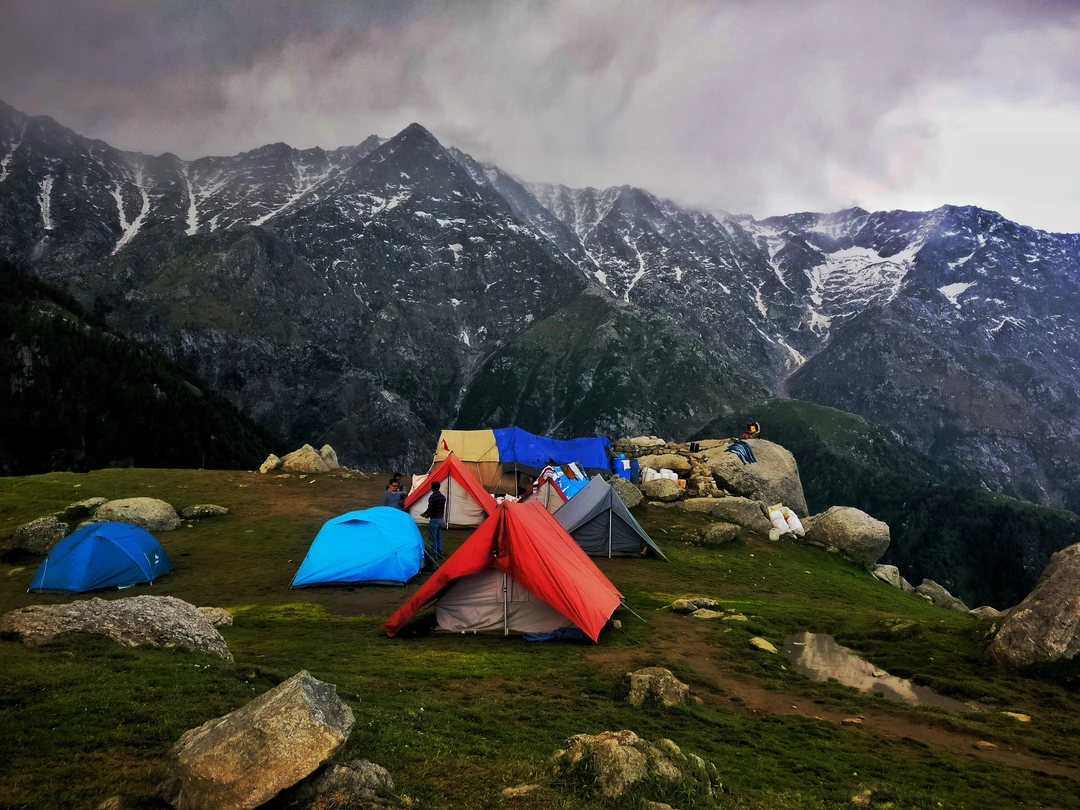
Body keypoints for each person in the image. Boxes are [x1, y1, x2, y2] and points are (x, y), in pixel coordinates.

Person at [423, 480, 447, 559]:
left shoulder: (432, 497)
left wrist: (425, 514)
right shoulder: (443, 497)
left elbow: (430, 509)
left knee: (433, 537)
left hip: (434, 519)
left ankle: (435, 555)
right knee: (439, 537)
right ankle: (440, 553)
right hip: (441, 518)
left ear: (432, 488)